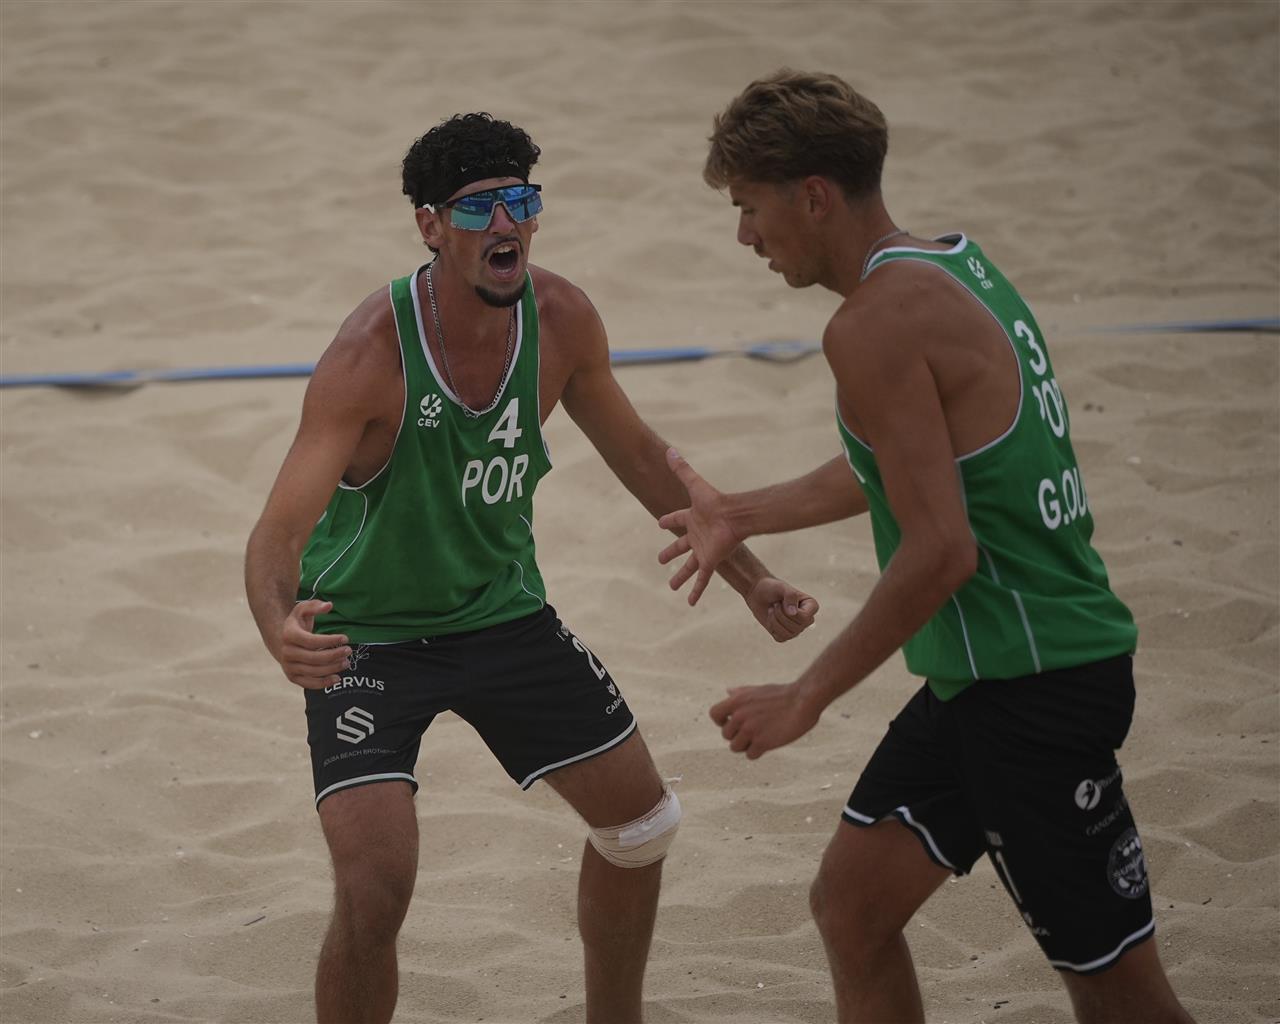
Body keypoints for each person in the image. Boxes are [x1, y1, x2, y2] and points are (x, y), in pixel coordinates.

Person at [243, 112, 817, 1024]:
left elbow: (641, 456)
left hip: (502, 616)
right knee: (376, 892)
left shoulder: (563, 319)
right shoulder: (369, 355)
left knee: (643, 828)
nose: (506, 223)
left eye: (521, 201)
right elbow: (275, 535)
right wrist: (278, 625)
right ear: (431, 226)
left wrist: (753, 580)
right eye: (479, 208)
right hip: (368, 637)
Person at [656, 70, 1196, 1024]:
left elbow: (941, 548)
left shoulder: (871, 324)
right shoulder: (953, 264)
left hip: (1034, 688)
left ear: (812, 197)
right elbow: (909, 461)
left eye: (748, 207)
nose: (744, 236)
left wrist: (806, 695)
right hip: (981, 680)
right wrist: (741, 513)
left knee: (1123, 1002)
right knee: (852, 908)